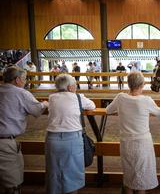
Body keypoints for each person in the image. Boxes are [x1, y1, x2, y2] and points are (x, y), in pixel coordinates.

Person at [106, 71, 160, 194]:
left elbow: (108, 110)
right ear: (142, 85)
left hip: (126, 141)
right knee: (141, 176)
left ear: (128, 84)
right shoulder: (146, 100)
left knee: (128, 174)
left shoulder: (120, 97)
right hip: (143, 142)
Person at [0, 66, 48, 194]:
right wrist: (45, 104)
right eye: (24, 79)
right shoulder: (21, 93)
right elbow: (36, 109)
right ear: (17, 80)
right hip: (5, 143)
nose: (26, 81)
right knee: (13, 183)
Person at [45, 74, 96, 194]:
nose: (76, 87)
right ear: (70, 87)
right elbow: (92, 105)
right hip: (72, 138)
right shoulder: (78, 97)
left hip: (52, 139)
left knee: (54, 174)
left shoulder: (52, 97)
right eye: (75, 85)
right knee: (72, 174)